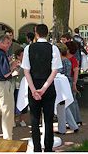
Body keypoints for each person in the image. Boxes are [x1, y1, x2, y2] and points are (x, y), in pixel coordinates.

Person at [22, 24, 62, 152]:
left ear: (36, 33)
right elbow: (54, 71)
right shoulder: (53, 48)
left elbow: (26, 71)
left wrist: (33, 89)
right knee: (49, 119)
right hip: (48, 87)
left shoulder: (28, 48)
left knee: (34, 119)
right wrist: (44, 88)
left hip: (34, 85)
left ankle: (37, 149)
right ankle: (48, 149)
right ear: (47, 33)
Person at [55, 43, 79, 134]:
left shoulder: (62, 61)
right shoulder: (67, 61)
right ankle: (74, 126)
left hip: (61, 84)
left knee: (61, 106)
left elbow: (58, 72)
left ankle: (62, 129)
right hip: (66, 83)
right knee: (65, 106)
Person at [12, 47, 27, 127]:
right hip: (16, 86)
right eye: (22, 55)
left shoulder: (26, 63)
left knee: (24, 102)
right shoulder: (14, 63)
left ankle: (22, 119)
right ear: (18, 56)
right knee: (14, 103)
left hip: (24, 85)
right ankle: (13, 120)